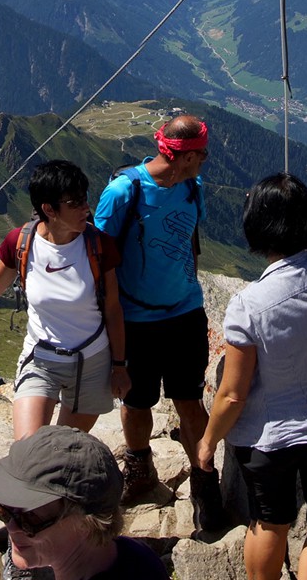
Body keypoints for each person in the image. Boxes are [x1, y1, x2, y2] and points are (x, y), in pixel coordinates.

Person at [195, 174, 307, 580]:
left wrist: (208, 442)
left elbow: (233, 393)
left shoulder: (248, 306)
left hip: (270, 436)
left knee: (270, 522)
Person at [0, 160, 129, 438]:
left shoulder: (99, 244)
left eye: (84, 199)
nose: (86, 208)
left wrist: (119, 367)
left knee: (65, 450)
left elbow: (113, 310)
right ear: (49, 209)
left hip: (92, 362)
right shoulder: (21, 242)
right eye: (75, 202)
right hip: (41, 359)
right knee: (28, 450)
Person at [92, 113, 224, 527]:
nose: (205, 159)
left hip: (185, 312)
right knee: (136, 400)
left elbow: (191, 241)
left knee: (189, 399)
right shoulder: (123, 192)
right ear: (184, 156)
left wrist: (190, 284)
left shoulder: (191, 187)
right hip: (135, 320)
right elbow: (98, 255)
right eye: (201, 152)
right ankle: (140, 469)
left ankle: (205, 483)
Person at [0, 425, 169, 580]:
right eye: (3, 509)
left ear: (87, 522)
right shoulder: (132, 554)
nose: (11, 527)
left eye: (30, 516)